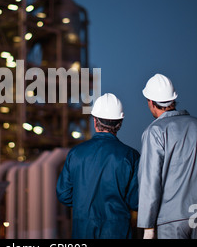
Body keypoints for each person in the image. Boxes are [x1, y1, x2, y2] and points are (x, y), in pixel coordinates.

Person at [137, 73, 197, 239]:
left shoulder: (156, 131)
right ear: (173, 100)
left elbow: (150, 181)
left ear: (151, 102)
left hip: (172, 218)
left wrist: (147, 226)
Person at [56, 93, 140, 239]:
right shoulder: (130, 156)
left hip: (83, 231)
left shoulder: (75, 154)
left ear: (95, 121)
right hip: (118, 231)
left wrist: (83, 202)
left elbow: (64, 194)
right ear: (120, 123)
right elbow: (135, 201)